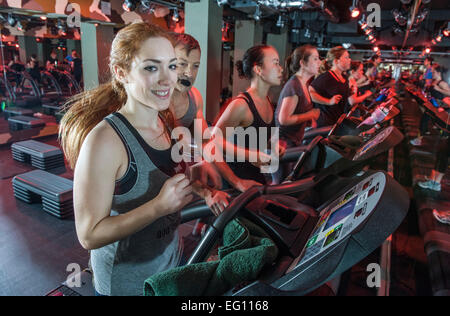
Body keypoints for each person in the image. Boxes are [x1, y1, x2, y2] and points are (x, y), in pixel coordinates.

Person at [59, 23, 221, 296]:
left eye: (171, 66)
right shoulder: (105, 141)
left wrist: (201, 187)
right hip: (127, 285)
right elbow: (89, 234)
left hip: (167, 264)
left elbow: (163, 183)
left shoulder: (164, 119)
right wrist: (158, 207)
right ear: (121, 73)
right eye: (150, 67)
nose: (168, 78)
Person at [170, 33, 229, 215]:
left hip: (174, 190)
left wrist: (235, 181)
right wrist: (205, 190)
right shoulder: (156, 103)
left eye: (195, 66)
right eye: (182, 64)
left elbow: (205, 142)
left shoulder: (194, 96)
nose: (189, 73)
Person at [212, 45, 283, 191]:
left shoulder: (267, 101)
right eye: (275, 63)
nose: (281, 68)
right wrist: (249, 155)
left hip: (255, 178)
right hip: (237, 183)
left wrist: (272, 146)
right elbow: (212, 140)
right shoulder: (241, 105)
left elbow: (254, 137)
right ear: (258, 70)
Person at [275, 44, 321, 148]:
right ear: (302, 63)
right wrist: (310, 115)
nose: (319, 62)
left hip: (295, 141)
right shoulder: (294, 85)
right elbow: (284, 119)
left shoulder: (304, 84)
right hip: (284, 145)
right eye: (315, 59)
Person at [308, 46, 361, 127]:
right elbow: (310, 93)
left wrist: (350, 92)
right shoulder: (326, 77)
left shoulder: (344, 78)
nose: (350, 60)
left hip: (337, 122)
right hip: (325, 123)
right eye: (346, 57)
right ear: (336, 61)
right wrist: (328, 101)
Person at [411, 65, 450, 146]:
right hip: (432, 105)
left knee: (424, 120)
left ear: (439, 73)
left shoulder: (442, 83)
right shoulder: (434, 81)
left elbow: (449, 93)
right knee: (425, 121)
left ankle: (420, 139)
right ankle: (421, 138)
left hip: (437, 107)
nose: (432, 73)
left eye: (434, 72)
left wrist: (439, 89)